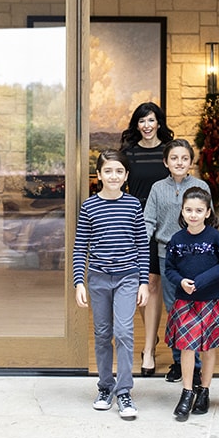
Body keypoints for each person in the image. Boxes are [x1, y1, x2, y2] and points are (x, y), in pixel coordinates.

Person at [73, 150, 149, 420]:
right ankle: (105, 387)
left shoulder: (132, 205)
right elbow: (80, 245)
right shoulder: (89, 206)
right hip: (98, 279)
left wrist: (143, 282)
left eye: (119, 171)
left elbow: (142, 244)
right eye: (108, 171)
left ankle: (125, 391)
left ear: (126, 175)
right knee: (103, 334)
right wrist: (78, 281)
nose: (113, 176)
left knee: (124, 332)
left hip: (128, 277)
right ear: (99, 175)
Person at [163, 186, 219, 421]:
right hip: (186, 301)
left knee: (208, 348)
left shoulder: (215, 238)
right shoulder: (176, 240)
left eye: (198, 210)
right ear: (182, 211)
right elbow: (169, 269)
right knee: (187, 346)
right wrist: (181, 282)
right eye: (188, 210)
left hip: (212, 300)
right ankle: (187, 392)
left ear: (207, 212)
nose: (193, 214)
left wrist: (201, 280)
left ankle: (204, 391)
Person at [144, 138, 208, 385]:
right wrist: (140, 244)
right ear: (165, 162)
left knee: (195, 308)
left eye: (184, 158)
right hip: (166, 255)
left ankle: (196, 365)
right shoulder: (158, 188)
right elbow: (149, 220)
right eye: (174, 158)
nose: (179, 162)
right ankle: (180, 362)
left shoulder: (201, 186)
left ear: (191, 161)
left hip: (195, 256)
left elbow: (208, 219)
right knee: (175, 310)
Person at [119, 102, 175, 377]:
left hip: (165, 221)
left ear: (158, 122)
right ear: (137, 125)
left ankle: (151, 345)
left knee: (158, 284)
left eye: (151, 120)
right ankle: (150, 340)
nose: (147, 125)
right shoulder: (128, 153)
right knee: (145, 282)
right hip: (136, 221)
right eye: (142, 121)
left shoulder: (169, 150)